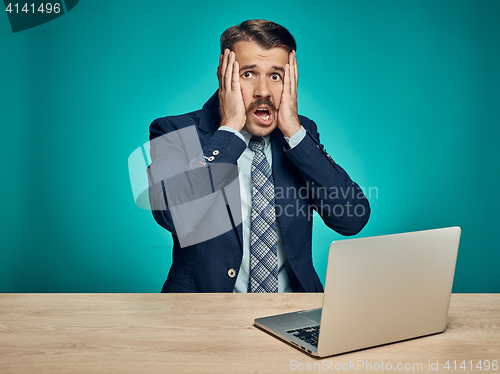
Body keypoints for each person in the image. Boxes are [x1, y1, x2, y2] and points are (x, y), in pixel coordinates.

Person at [148, 20, 370, 293]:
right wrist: (229, 131)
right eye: (249, 73)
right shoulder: (174, 130)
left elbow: (351, 219)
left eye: (275, 76)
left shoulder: (302, 134)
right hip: (204, 316)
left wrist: (295, 134)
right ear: (223, 75)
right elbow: (173, 215)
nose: (263, 91)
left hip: (293, 311)